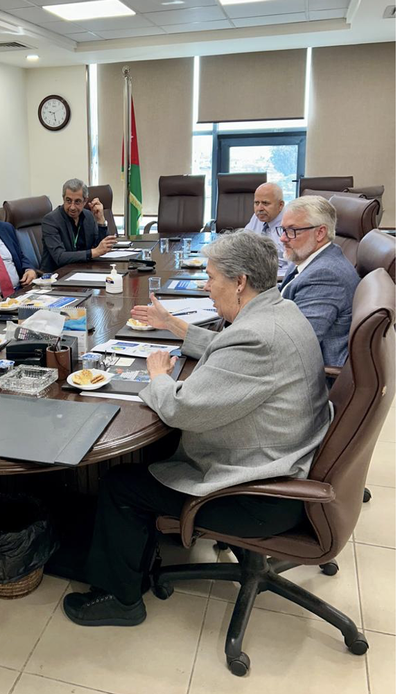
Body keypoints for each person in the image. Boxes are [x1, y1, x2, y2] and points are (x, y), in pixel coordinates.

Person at [63, 231, 332, 627]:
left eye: (211, 277)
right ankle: (146, 546)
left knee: (120, 484)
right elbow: (230, 352)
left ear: (240, 281)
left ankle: (120, 601)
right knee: (154, 457)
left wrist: (157, 377)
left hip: (259, 495)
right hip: (286, 458)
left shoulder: (255, 337)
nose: (206, 286)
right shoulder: (279, 311)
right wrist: (177, 327)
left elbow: (179, 408)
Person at [278, 196, 360, 367]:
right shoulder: (308, 257)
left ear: (320, 232)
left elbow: (294, 344)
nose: (283, 238)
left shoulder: (326, 276)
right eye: (283, 229)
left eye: (292, 230)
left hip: (308, 377)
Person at [40, 178, 117, 272]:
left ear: (85, 201)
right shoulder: (51, 220)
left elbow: (101, 247)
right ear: (63, 198)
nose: (72, 207)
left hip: (83, 271)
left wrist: (100, 220)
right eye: (68, 201)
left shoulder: (88, 216)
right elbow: (59, 257)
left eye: (77, 201)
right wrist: (94, 252)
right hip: (57, 276)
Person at [245, 182, 286, 265]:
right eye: (256, 203)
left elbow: (292, 265)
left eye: (265, 203)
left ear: (280, 205)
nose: (259, 208)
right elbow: (243, 241)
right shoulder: (258, 216)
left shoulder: (291, 223)